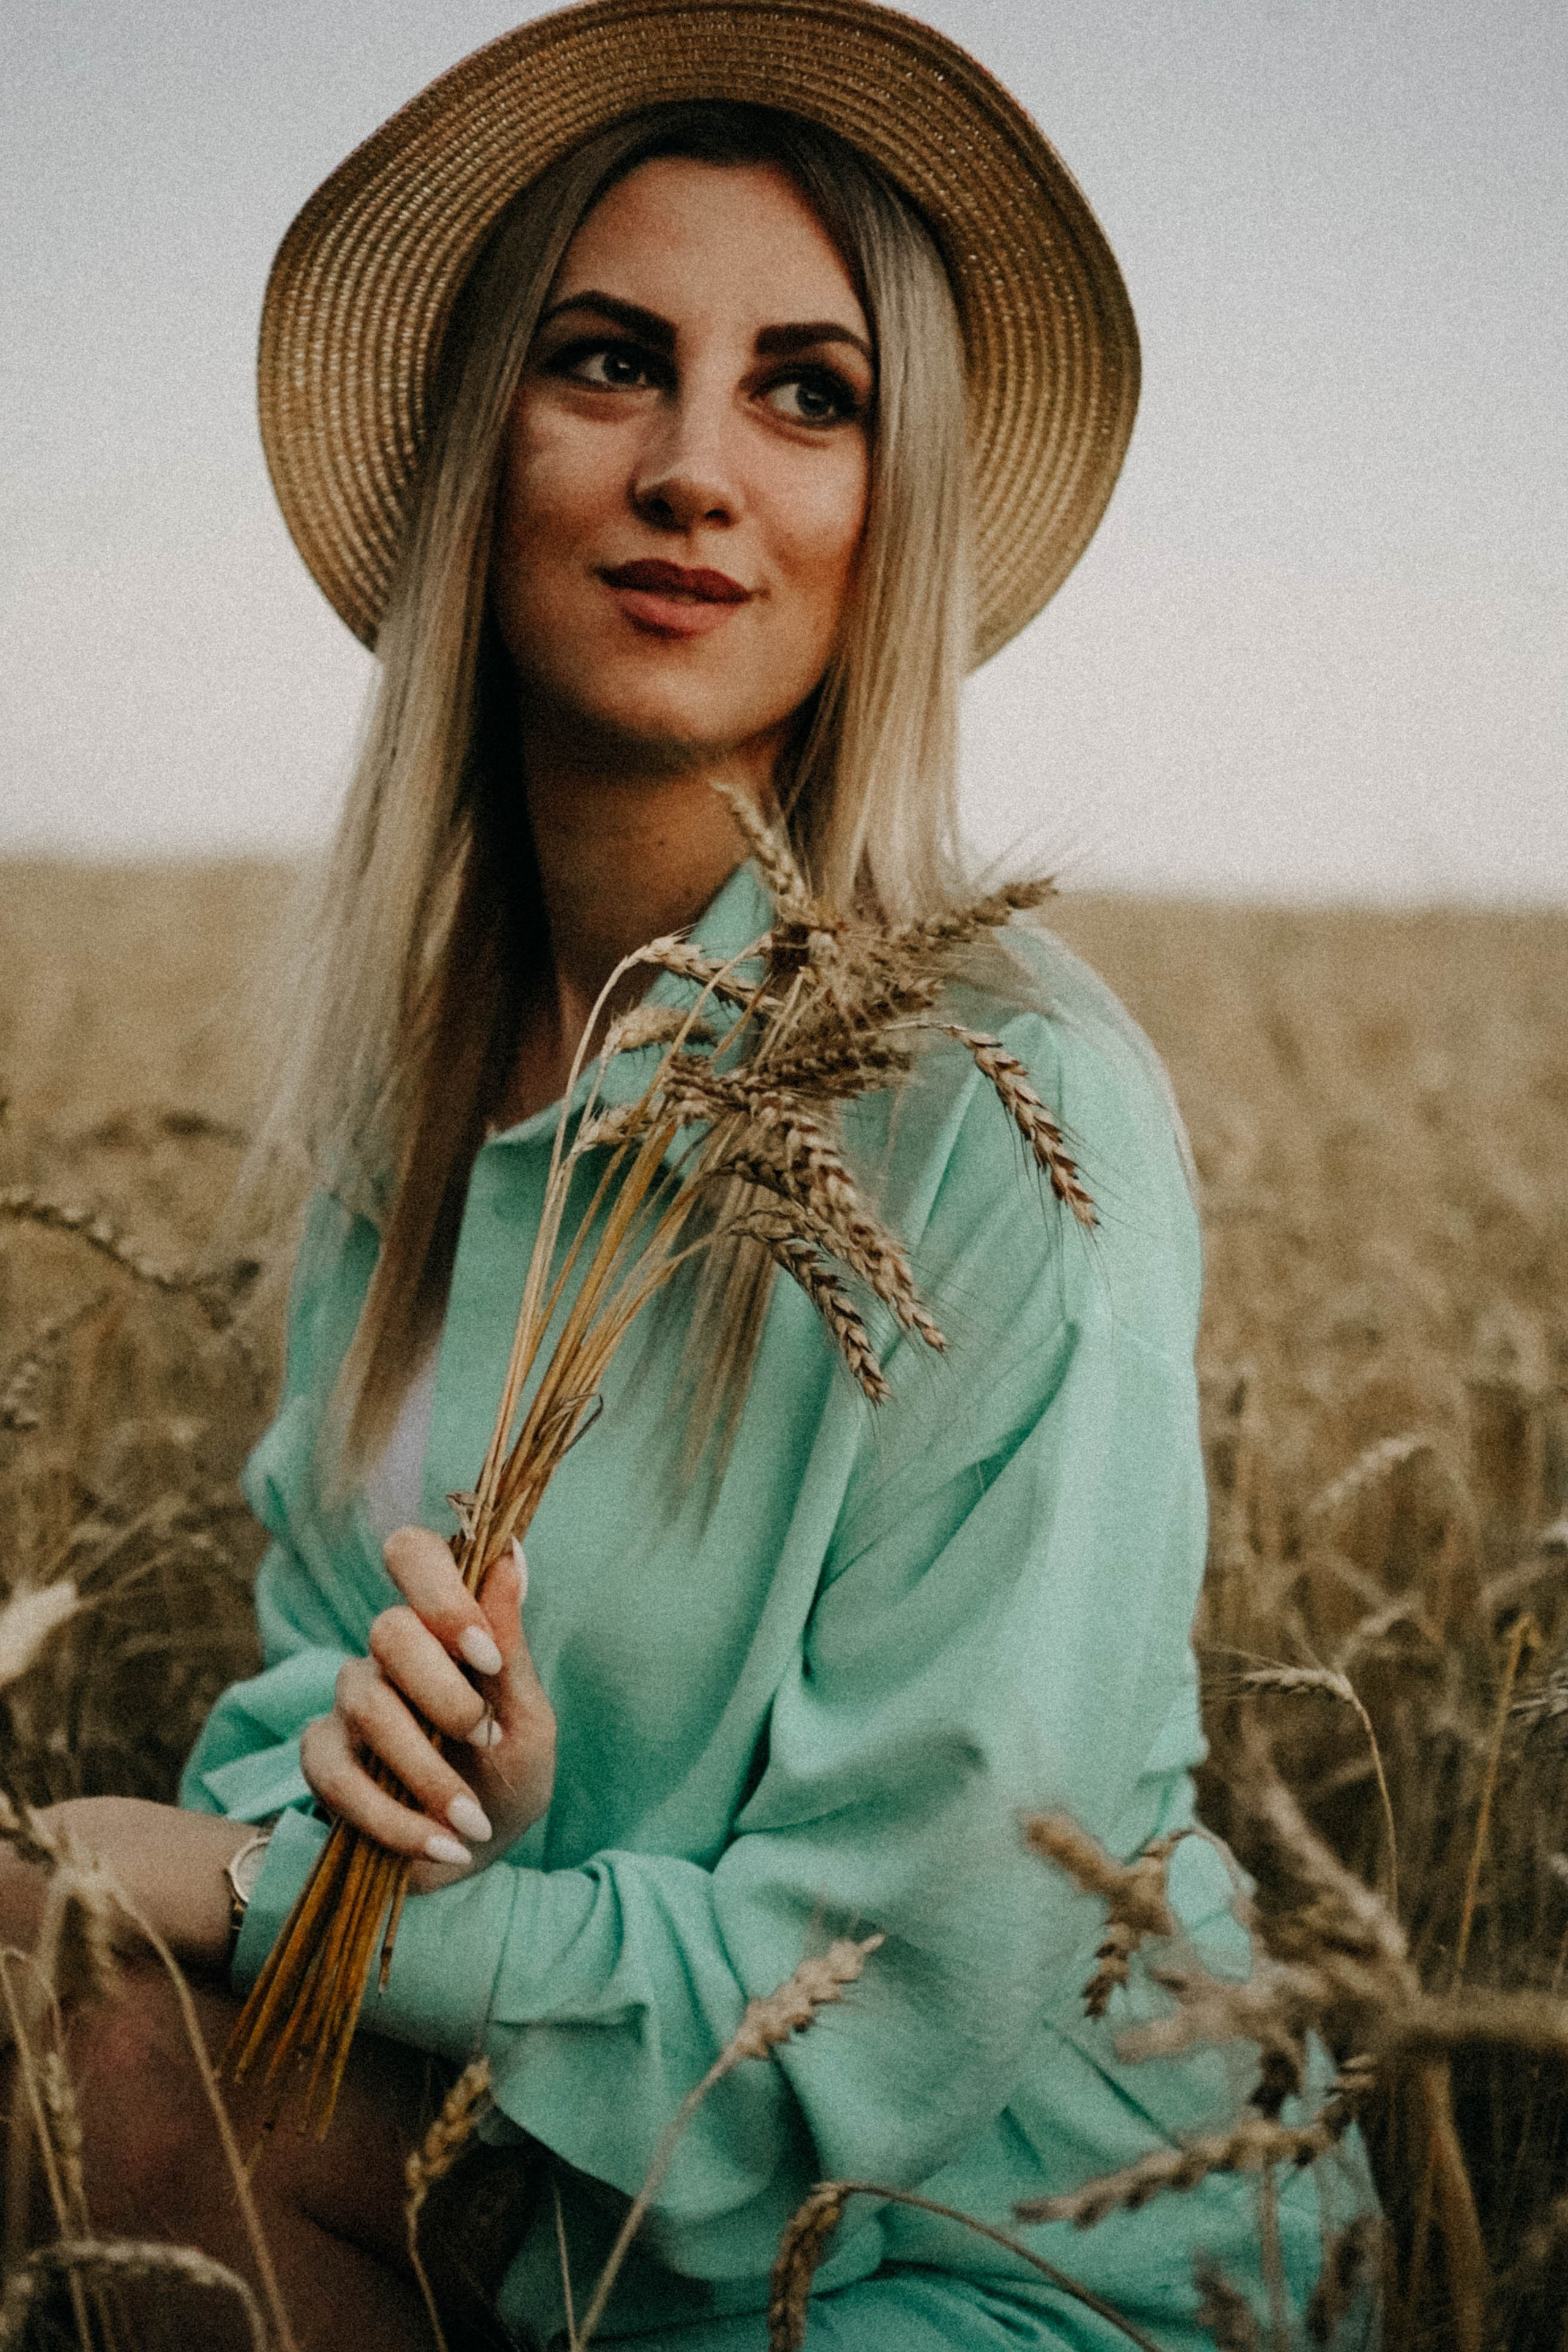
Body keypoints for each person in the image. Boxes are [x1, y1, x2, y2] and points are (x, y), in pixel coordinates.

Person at [0, 4, 1377, 2346]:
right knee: (60, 2019)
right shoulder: (414, 1101)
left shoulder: (1005, 1114)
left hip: (988, 2243)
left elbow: (911, 1988)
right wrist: (427, 1794)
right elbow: (309, 1687)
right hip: (571, 2153)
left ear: (886, 510)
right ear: (480, 459)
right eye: (609, 361)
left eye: (806, 393)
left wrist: (253, 1880)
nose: (696, 470)